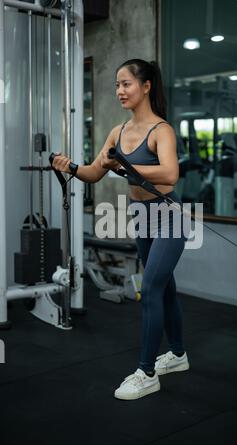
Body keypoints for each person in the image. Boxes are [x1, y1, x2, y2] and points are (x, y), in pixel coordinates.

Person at [52, 58, 190, 400]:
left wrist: (125, 164)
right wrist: (69, 165)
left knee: (152, 290)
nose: (119, 91)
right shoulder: (117, 132)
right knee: (166, 287)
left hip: (168, 216)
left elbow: (170, 173)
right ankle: (178, 353)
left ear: (146, 87)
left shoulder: (162, 130)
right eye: (116, 85)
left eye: (126, 83)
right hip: (142, 216)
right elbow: (94, 172)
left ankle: (146, 373)